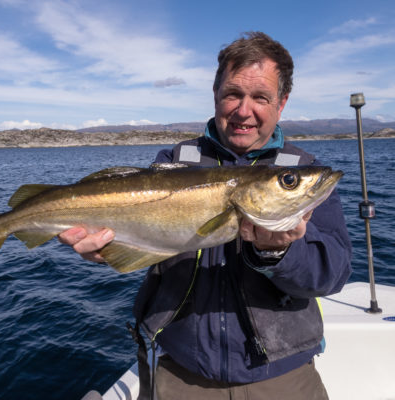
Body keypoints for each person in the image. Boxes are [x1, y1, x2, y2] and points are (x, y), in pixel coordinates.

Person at [59, 32, 352, 400]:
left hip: (282, 372)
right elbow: (142, 246)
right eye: (233, 94)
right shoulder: (172, 163)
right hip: (182, 368)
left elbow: (332, 274)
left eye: (260, 97)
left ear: (282, 103)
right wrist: (105, 247)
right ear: (215, 94)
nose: (244, 111)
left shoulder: (305, 173)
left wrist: (278, 253)